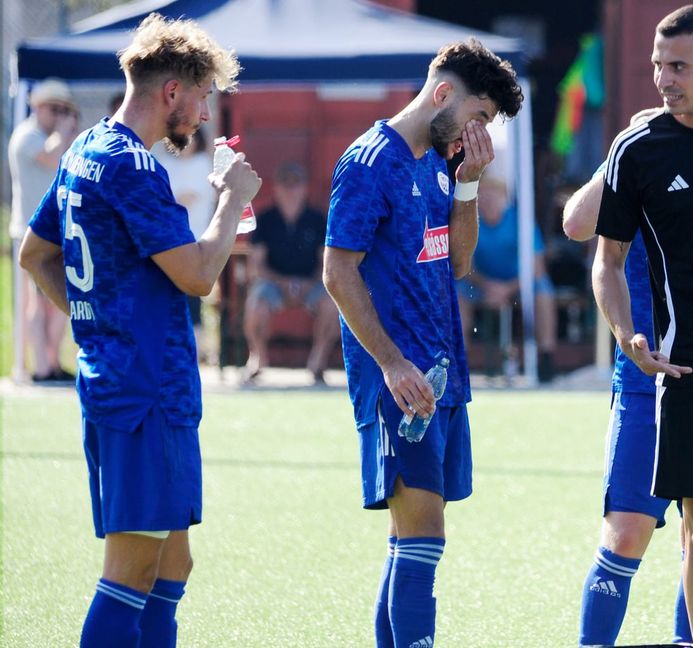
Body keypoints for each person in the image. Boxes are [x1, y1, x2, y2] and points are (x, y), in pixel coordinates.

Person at [18, 14, 258, 646]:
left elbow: (35, 255)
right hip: (142, 390)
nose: (206, 113)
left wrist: (94, 320)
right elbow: (200, 275)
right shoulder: (132, 166)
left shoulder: (84, 151)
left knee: (172, 562)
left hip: (142, 383)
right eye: (204, 95)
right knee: (130, 572)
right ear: (172, 91)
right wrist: (233, 198)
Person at [563, 66, 693, 647]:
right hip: (644, 374)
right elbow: (577, 224)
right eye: (659, 68)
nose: (666, 81)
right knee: (628, 530)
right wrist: (619, 154)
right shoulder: (642, 153)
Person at [322, 39, 522, 648]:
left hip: (441, 377)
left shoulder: (439, 160)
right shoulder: (368, 162)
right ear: (443, 95)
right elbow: (337, 272)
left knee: (411, 541)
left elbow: (458, 263)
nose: (480, 131)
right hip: (399, 381)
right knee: (424, 537)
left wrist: (468, 184)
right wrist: (390, 362)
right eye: (480, 117)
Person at [457, 170, 559, 381]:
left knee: (544, 290)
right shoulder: (470, 222)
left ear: (504, 198)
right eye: (482, 195)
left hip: (519, 284)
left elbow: (537, 267)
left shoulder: (521, 221)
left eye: (492, 195)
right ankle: (460, 358)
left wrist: (507, 288)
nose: (487, 200)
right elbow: (463, 266)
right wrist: (488, 285)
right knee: (457, 293)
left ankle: (546, 357)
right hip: (482, 283)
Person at [9, 78, 79, 383]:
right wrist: (64, 133)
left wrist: (66, 133)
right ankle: (40, 366)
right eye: (55, 109)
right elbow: (52, 158)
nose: (60, 115)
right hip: (31, 233)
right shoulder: (28, 136)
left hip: (50, 232)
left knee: (54, 301)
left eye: (65, 110)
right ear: (37, 107)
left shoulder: (47, 135)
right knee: (36, 301)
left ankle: (50, 362)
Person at [243, 161, 338, 385]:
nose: (290, 190)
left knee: (332, 305)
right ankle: (257, 357)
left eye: (296, 185)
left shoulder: (317, 219)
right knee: (256, 304)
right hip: (274, 282)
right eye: (285, 185)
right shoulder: (265, 219)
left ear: (304, 188)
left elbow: (327, 262)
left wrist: (310, 281)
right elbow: (257, 265)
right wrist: (283, 282)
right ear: (276, 188)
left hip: (311, 281)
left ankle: (318, 360)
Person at [156, 127, 216, 360]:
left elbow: (193, 196)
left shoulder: (203, 163)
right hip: (167, 242)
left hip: (196, 238)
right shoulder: (163, 163)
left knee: (193, 295)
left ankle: (196, 346)